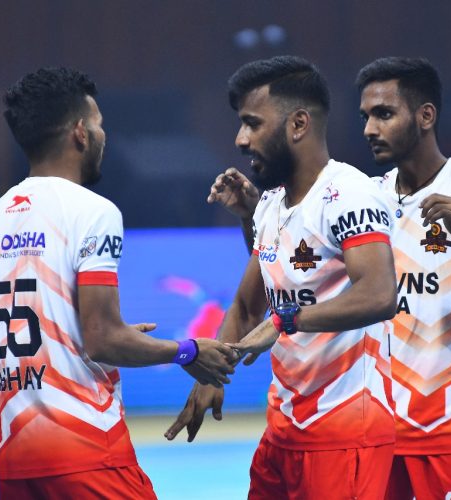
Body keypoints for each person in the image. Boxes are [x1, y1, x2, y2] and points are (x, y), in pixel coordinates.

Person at [207, 56, 451, 499]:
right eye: (364, 116)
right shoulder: (365, 194)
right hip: (372, 431)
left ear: (425, 116)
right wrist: (254, 217)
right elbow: (289, 271)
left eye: (383, 114)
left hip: (449, 432)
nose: (369, 129)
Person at [0, 67, 237, 499]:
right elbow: (103, 340)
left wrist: (93, 336)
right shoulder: (92, 211)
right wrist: (187, 351)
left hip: (15, 457)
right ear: (80, 132)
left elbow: (64, 331)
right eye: (98, 124)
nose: (103, 135)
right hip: (85, 448)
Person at [165, 55, 399, 499]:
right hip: (284, 430)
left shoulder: (350, 194)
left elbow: (380, 293)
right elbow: (247, 305)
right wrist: (210, 377)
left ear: (298, 124)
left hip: (346, 432)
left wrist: (285, 320)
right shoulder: (270, 204)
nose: (240, 139)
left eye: (253, 124)